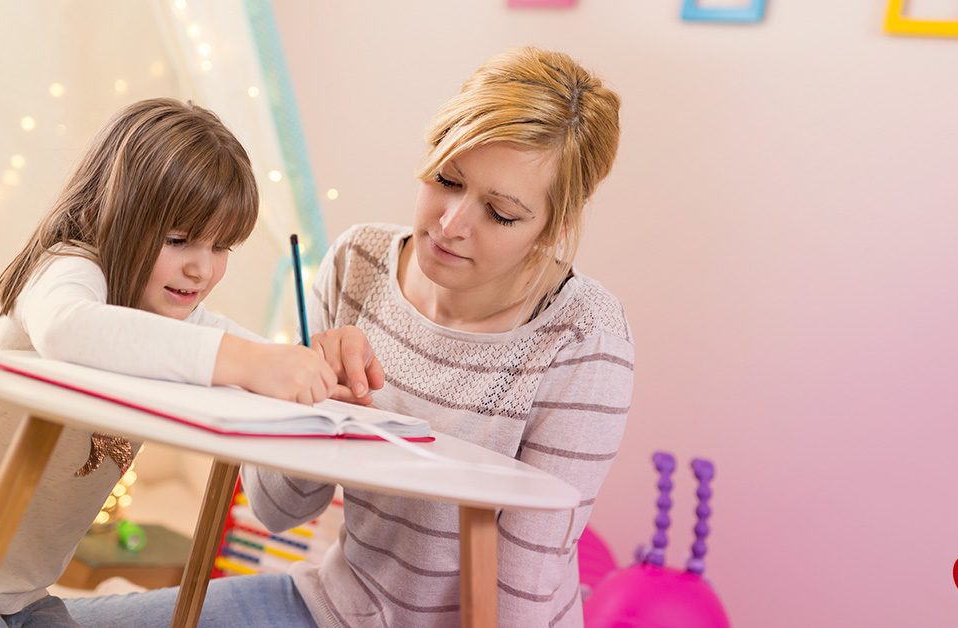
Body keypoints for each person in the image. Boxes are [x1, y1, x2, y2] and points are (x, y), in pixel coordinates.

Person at [68, 46, 634, 628]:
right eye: (447, 179)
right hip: (331, 607)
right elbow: (275, 510)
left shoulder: (583, 335)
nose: (451, 223)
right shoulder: (356, 264)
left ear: (554, 226)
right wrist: (313, 413)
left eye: (501, 213)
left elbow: (522, 587)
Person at [0, 98, 337, 627]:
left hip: (15, 599)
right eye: (179, 240)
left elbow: (264, 366)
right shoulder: (66, 270)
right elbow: (71, 330)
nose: (201, 268)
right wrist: (248, 360)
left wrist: (314, 374)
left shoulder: (182, 320)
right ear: (103, 213)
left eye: (221, 247)